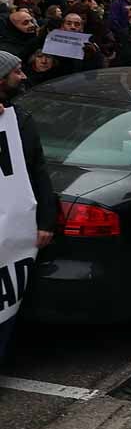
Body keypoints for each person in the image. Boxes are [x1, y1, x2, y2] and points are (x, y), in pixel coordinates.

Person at [0, 51, 58, 360]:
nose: (23, 77)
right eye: (17, 71)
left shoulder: (19, 120)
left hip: (12, 232)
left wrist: (46, 220)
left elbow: (37, 170)